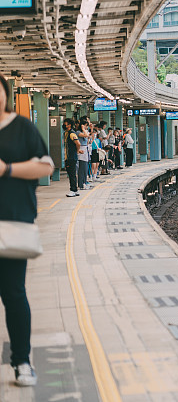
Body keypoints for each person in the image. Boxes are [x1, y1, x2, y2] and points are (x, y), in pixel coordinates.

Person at [0, 72, 55, 387]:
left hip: (11, 223)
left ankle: (22, 361)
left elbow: (46, 165)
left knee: (13, 294)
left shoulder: (22, 127)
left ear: (5, 93)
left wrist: (7, 169)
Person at [62, 118, 80, 196]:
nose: (64, 125)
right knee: (71, 174)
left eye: (65, 123)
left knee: (72, 174)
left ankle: (73, 190)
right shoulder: (66, 133)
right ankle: (75, 190)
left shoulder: (72, 134)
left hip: (71, 157)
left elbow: (78, 143)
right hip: (68, 157)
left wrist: (77, 151)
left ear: (69, 125)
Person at [76, 120, 90, 189]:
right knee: (81, 168)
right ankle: (81, 184)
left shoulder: (83, 132)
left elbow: (87, 138)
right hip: (81, 150)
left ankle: (84, 182)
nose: (86, 127)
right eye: (85, 126)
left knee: (85, 168)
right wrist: (83, 129)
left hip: (85, 149)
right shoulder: (78, 132)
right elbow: (86, 135)